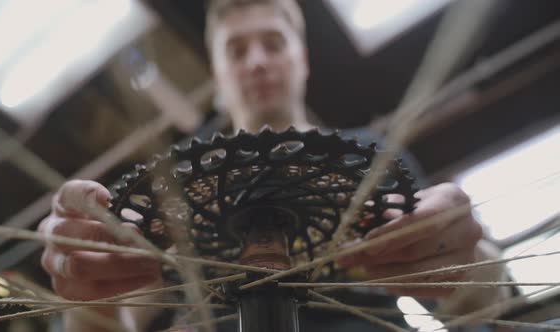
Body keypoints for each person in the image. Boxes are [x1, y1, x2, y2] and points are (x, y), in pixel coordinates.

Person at [38, 0, 511, 331]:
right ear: (218, 74)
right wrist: (87, 286)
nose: (257, 62)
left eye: (273, 43)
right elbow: (118, 319)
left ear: (302, 59)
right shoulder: (174, 189)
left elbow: (482, 307)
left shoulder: (374, 162)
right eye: (237, 51)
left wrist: (471, 263)